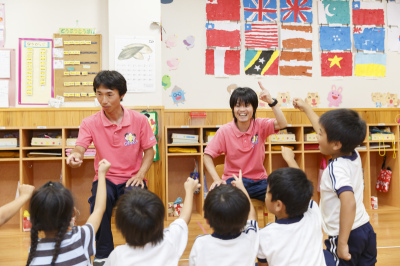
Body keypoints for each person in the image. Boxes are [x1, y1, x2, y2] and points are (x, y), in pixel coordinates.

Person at [66, 70, 157, 265]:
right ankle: (104, 253)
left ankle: (140, 251)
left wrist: (140, 175)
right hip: (104, 178)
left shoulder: (139, 120)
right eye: (99, 94)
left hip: (132, 177)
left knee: (139, 204)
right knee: (101, 201)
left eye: (109, 94)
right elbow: (80, 147)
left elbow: (150, 151)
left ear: (121, 95)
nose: (103, 100)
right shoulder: (90, 122)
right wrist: (76, 155)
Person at [283, 99, 377, 266]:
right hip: (365, 229)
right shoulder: (352, 151)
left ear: (336, 144)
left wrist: (342, 243)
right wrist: (306, 108)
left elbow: (349, 202)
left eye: (320, 134)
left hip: (347, 235)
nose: (317, 136)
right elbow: (323, 127)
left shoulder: (336, 169)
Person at [204, 82, 287, 201]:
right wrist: (217, 179)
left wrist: (271, 102)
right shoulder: (225, 131)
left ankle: (279, 221)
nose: (242, 110)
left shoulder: (260, 125)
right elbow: (207, 155)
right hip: (233, 181)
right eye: (238, 106)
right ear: (233, 108)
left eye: (246, 105)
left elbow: (282, 124)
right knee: (221, 200)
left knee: (281, 196)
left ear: (253, 108)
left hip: (259, 182)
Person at [26, 159, 109, 266]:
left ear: (34, 220)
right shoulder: (81, 237)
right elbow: (99, 208)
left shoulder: (33, 251)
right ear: (73, 213)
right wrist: (101, 174)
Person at [104, 178, 200, 266]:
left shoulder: (117, 255)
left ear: (121, 228)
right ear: (160, 220)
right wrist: (189, 191)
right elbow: (184, 217)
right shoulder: (169, 241)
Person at [257, 166, 328, 266]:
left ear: (278, 205)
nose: (265, 194)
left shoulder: (265, 235)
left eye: (267, 192)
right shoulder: (314, 212)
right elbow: (305, 195)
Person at [189, 170, 259, 266]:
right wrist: (242, 187)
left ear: (207, 220)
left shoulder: (200, 242)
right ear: (244, 218)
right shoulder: (250, 238)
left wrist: (189, 192)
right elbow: (252, 216)